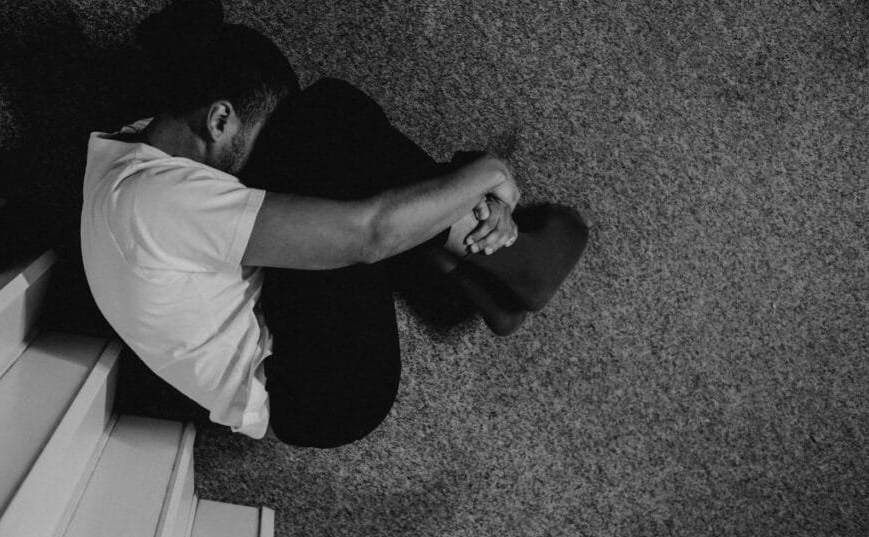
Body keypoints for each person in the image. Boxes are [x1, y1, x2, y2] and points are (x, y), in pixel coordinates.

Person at [81, 0, 588, 448]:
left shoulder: (135, 148)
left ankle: (485, 280)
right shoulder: (160, 202)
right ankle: (510, 262)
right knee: (321, 120)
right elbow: (370, 235)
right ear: (217, 120)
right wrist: (487, 172)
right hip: (325, 392)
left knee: (323, 135)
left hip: (286, 347)